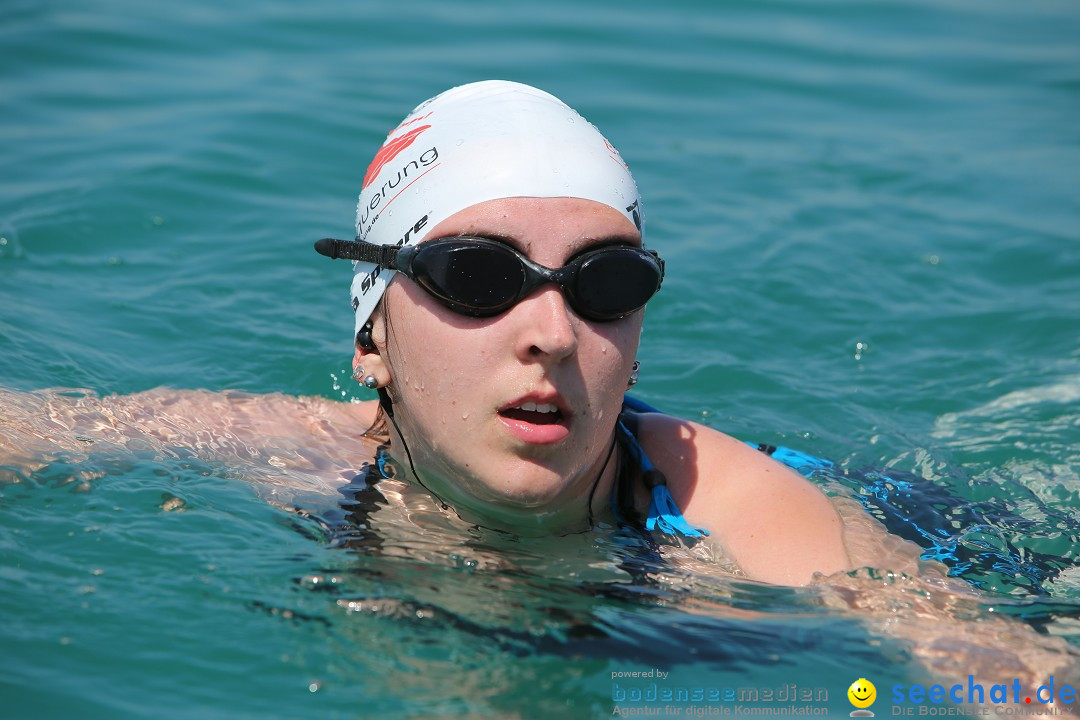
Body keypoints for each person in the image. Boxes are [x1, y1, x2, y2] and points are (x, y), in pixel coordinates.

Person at [309, 80, 849, 586]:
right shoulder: (288, 456)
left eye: (607, 283)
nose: (555, 335)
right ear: (369, 339)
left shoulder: (765, 532)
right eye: (475, 278)